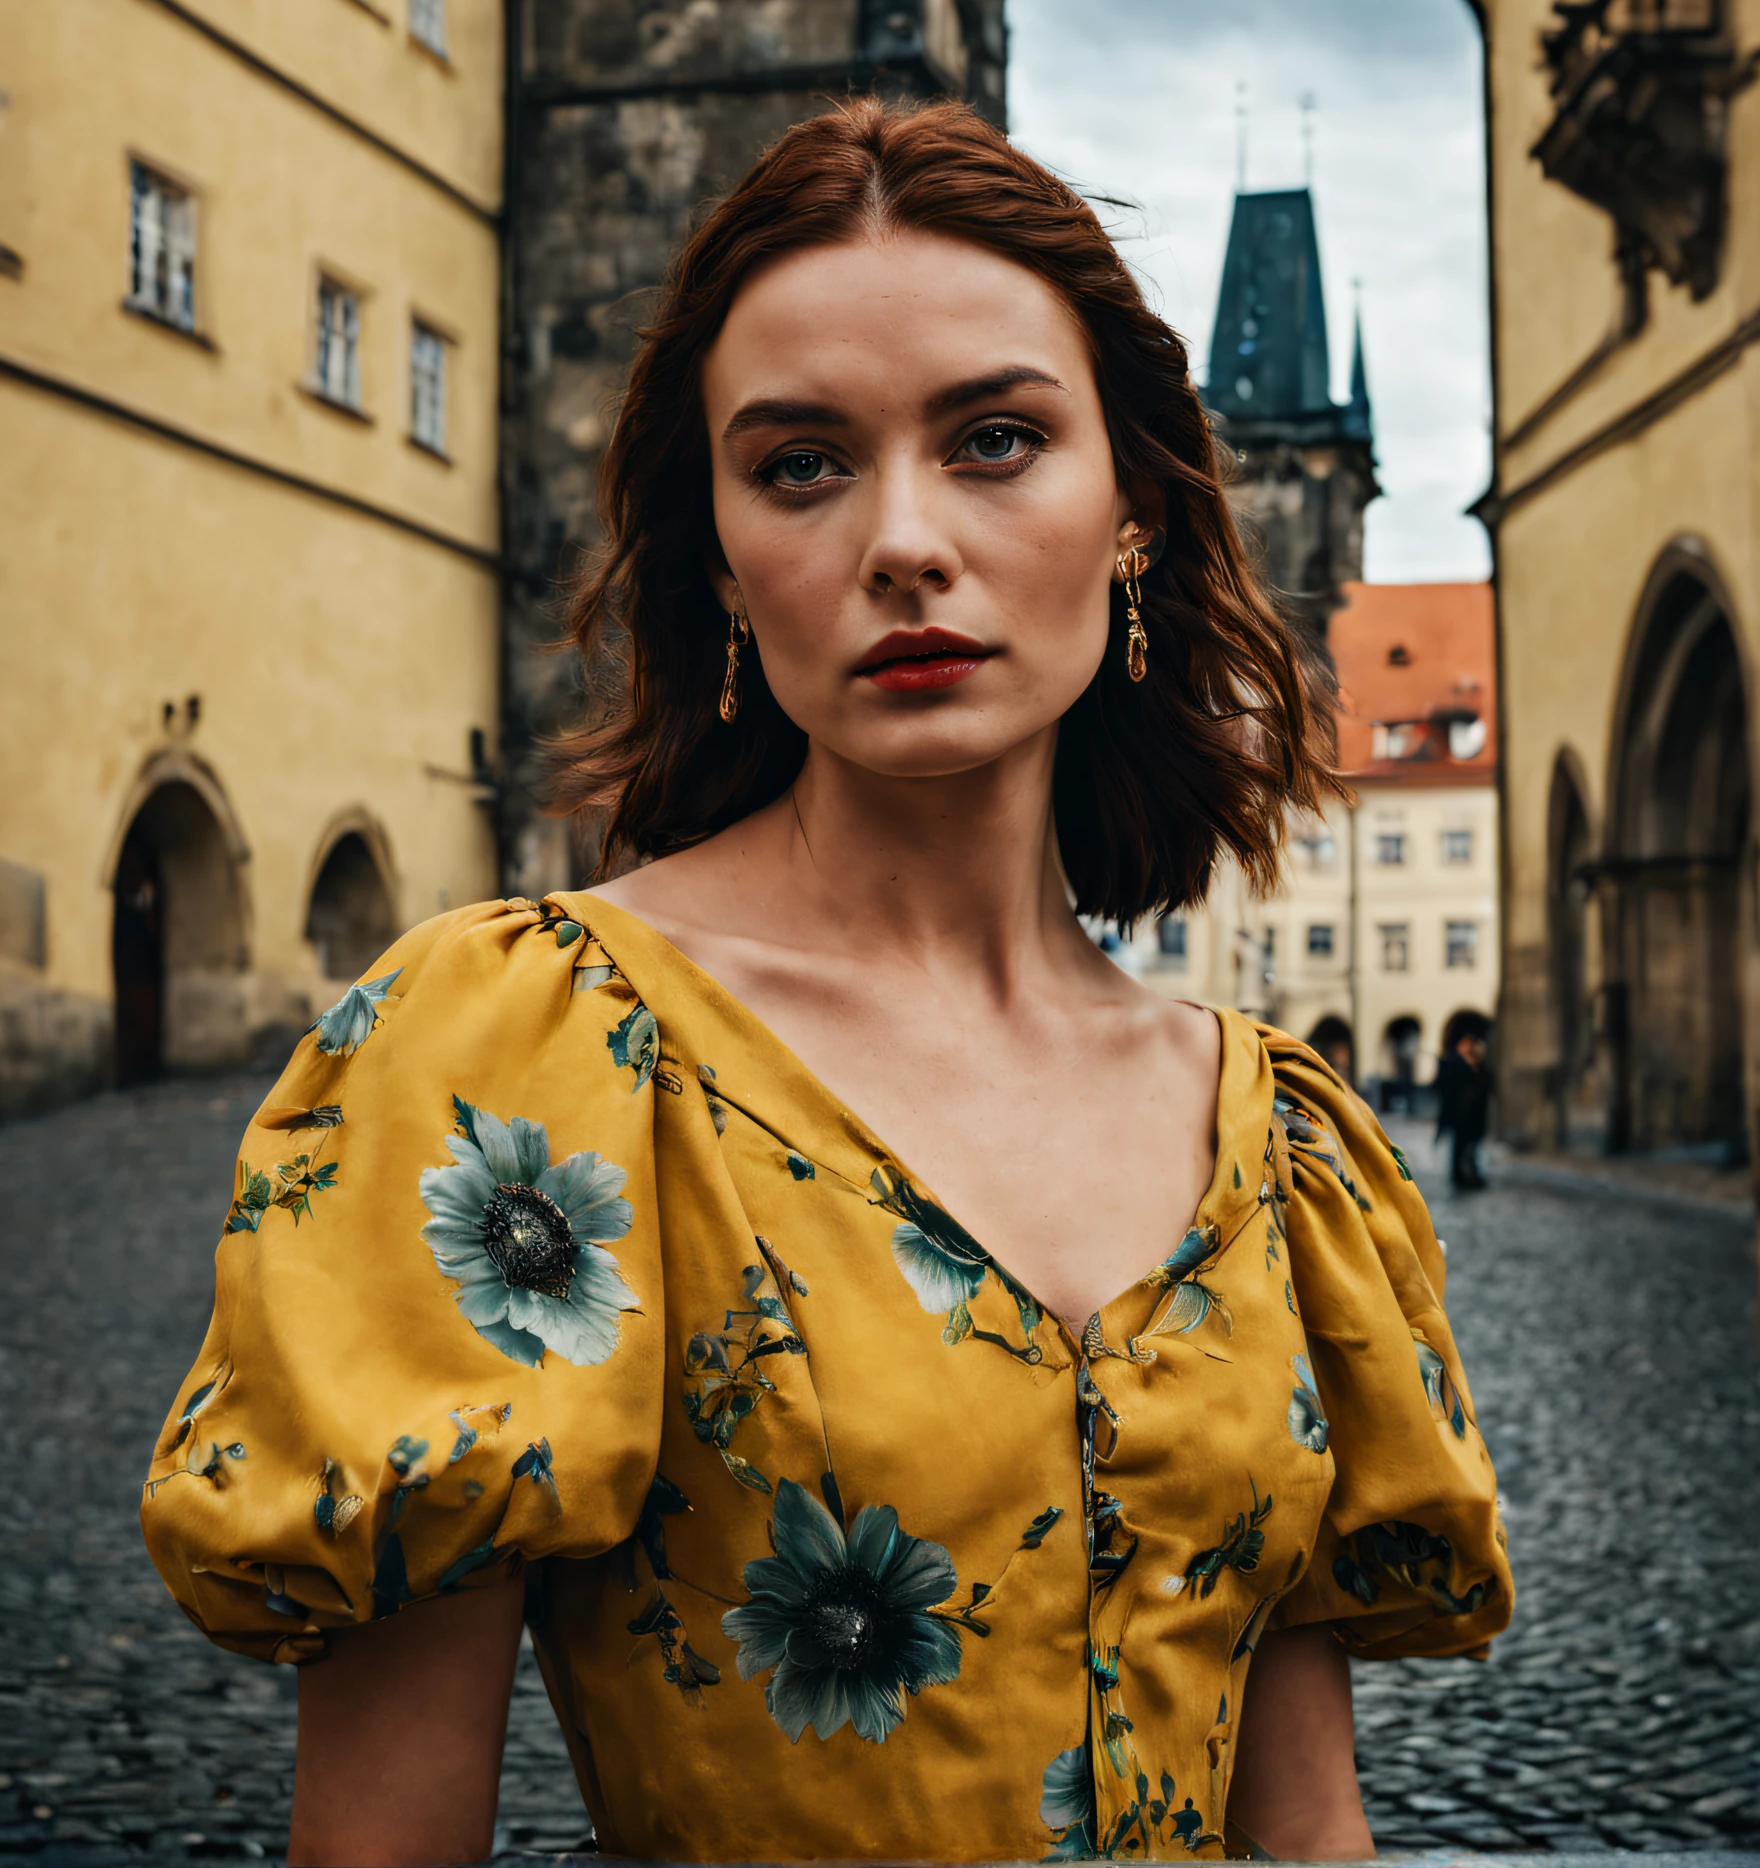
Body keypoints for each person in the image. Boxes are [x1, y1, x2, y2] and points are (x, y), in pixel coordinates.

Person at [142, 101, 1511, 1868]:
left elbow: (1311, 1831)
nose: (902, 540)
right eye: (801, 464)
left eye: (998, 438)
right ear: (721, 560)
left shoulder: (1272, 1138)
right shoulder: (536, 1062)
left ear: (1137, 516)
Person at [1434, 1012, 1495, 1192]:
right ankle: (1460, 1176)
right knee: (1460, 1148)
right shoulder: (1453, 1061)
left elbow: (1484, 1082)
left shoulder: (1475, 1062)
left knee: (1471, 1147)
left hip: (1473, 1114)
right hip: (1460, 1114)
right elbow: (1447, 1086)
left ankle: (1469, 1173)